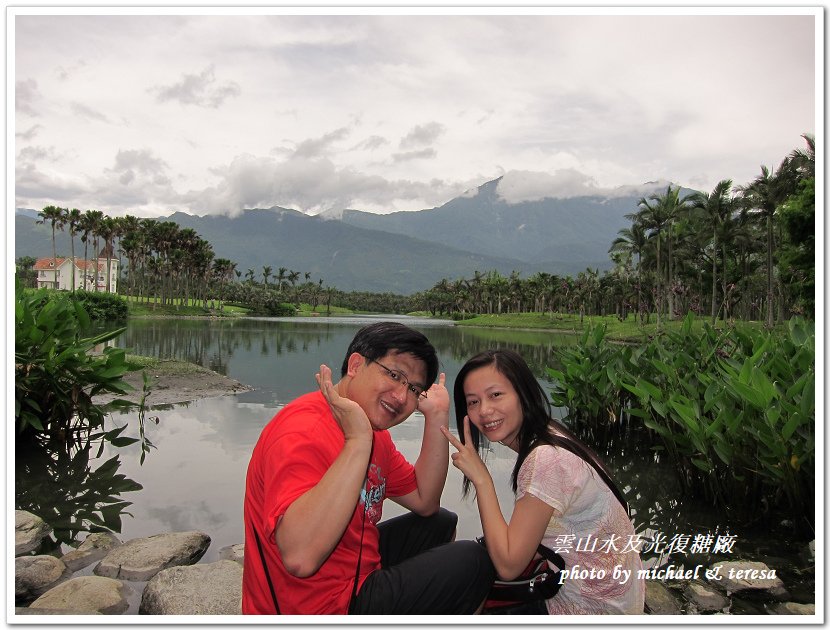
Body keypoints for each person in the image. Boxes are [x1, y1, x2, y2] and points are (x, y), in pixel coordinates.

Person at [242, 322, 494, 615]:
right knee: (473, 562)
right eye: (394, 375)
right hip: (314, 607)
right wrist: (357, 441)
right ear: (356, 364)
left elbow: (425, 500)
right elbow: (299, 558)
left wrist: (437, 415)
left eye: (414, 389)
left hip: (353, 573)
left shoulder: (373, 432)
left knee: (439, 523)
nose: (401, 397)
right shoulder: (303, 431)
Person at [440, 349, 644, 614]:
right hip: (615, 597)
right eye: (473, 402)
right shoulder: (551, 433)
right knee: (473, 559)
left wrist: (482, 479)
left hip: (592, 609)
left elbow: (509, 565)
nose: (485, 411)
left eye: (496, 395)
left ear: (523, 394)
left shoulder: (545, 459)